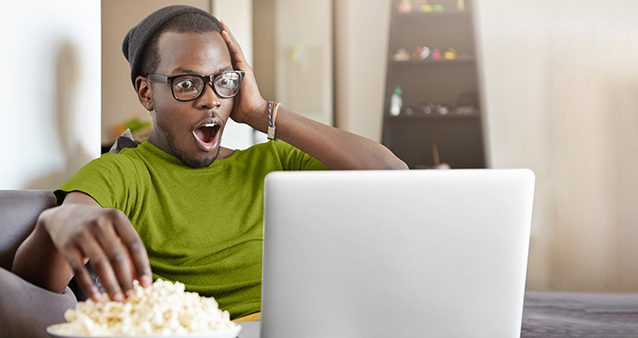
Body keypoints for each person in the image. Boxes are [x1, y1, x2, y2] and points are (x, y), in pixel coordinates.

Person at [11, 5, 407, 320]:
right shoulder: (125, 172)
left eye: (224, 81)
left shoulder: (273, 162)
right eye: (186, 84)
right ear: (147, 93)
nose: (211, 99)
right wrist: (57, 223)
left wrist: (260, 112)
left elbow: (391, 176)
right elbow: (38, 280)